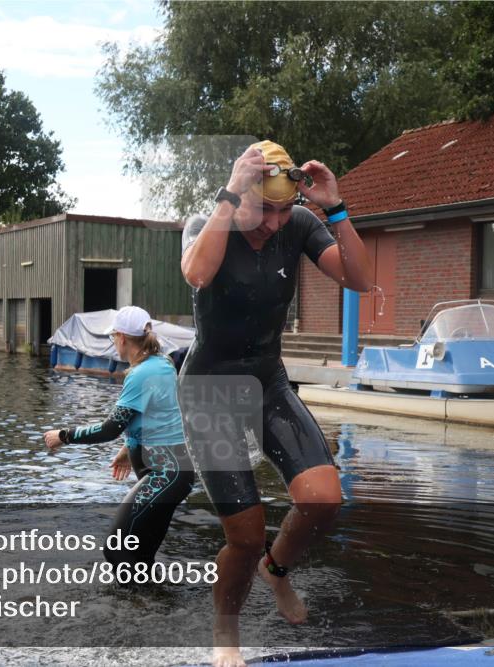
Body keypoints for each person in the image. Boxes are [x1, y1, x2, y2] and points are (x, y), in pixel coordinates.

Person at [178, 140, 374, 667]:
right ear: (239, 191)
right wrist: (229, 199)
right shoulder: (208, 222)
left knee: (324, 499)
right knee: (243, 536)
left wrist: (334, 207)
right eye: (262, 208)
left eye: (284, 209)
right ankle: (226, 635)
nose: (273, 222)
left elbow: (361, 279)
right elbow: (197, 275)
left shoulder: (299, 226)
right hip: (210, 388)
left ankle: (277, 570)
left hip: (267, 379)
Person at [44, 306, 195, 566]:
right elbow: (155, 415)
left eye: (113, 336)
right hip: (173, 473)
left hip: (164, 474)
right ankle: (150, 604)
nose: (113, 342)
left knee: (117, 551)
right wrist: (129, 447)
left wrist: (64, 435)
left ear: (122, 337)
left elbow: (109, 428)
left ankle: (137, 605)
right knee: (140, 555)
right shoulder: (162, 363)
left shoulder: (141, 374)